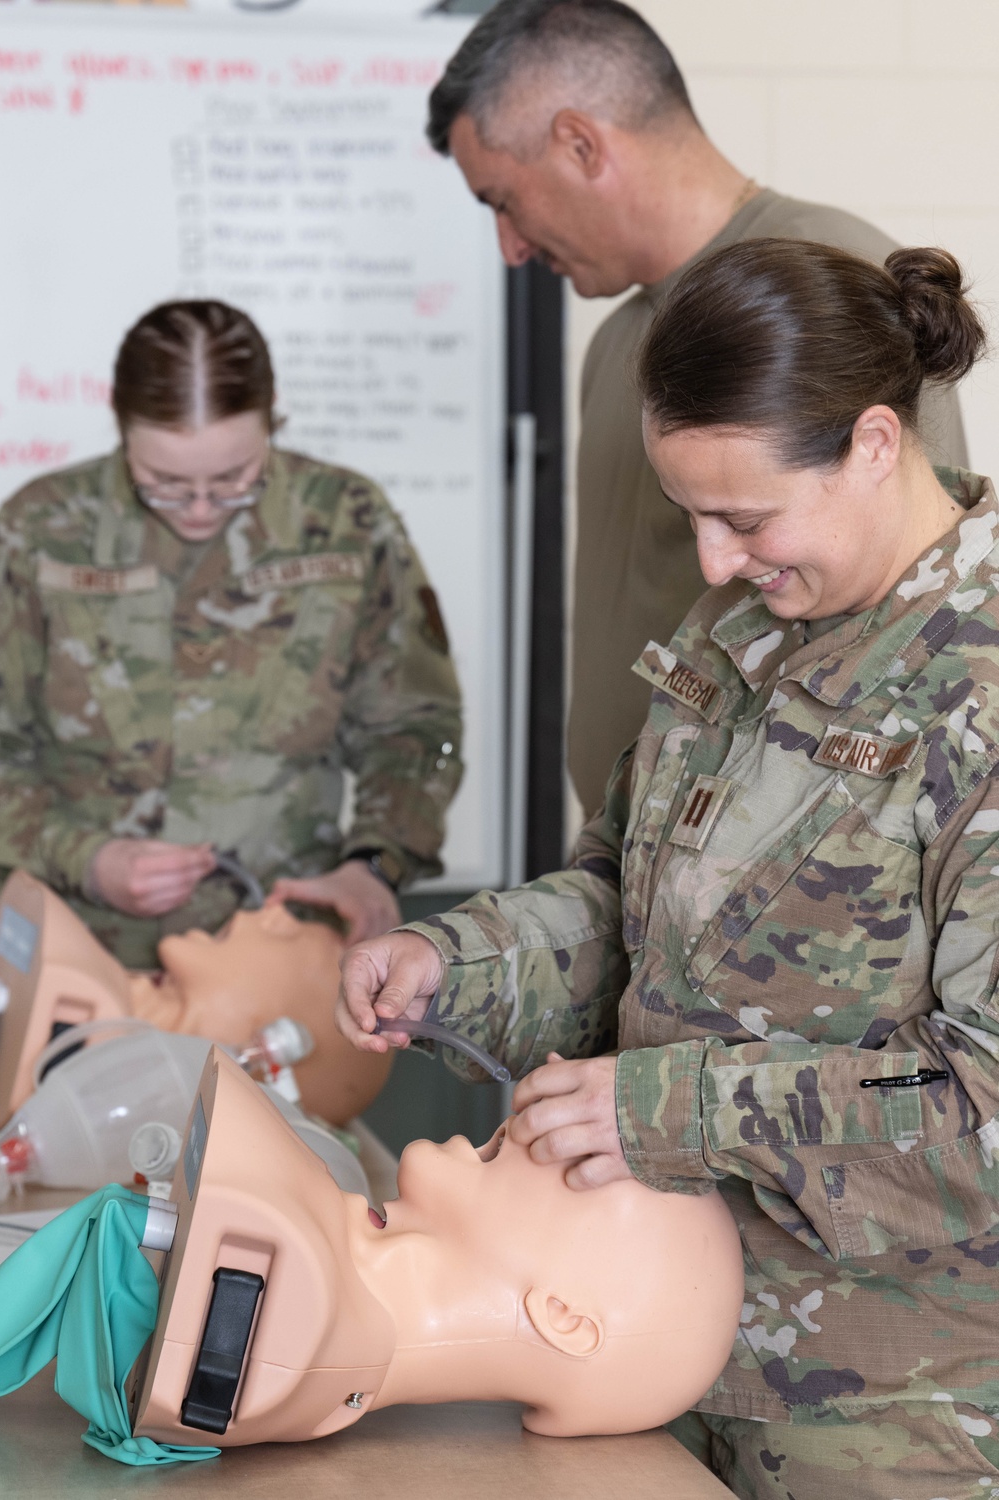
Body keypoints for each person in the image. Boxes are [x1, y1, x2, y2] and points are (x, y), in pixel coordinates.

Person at [338, 241, 999, 1499]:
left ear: (870, 443)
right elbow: (624, 905)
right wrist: (453, 963)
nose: (709, 564)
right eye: (687, 515)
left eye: (742, 518)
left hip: (889, 1420)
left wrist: (669, 1114)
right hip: (648, 1372)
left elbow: (987, 1107)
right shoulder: (751, 619)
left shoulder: (978, 685)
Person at [427, 0, 969, 816]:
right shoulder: (619, 341)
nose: (510, 245)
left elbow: (914, 621)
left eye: (502, 199)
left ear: (580, 143)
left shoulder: (826, 283)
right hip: (639, 870)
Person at [0, 300, 463, 968]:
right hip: (77, 958)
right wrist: (86, 859)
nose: (197, 508)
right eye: (162, 482)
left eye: (231, 480)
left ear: (271, 416)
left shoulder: (347, 524)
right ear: (122, 427)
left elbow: (415, 727)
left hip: (279, 956)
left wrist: (374, 864)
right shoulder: (40, 530)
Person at [129, 1048, 745, 1452]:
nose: (545, 1124)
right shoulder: (285, 1259)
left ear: (563, 1318)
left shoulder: (282, 1319)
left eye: (499, 1146)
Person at [0, 869, 390, 1125]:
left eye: (299, 933)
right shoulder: (73, 984)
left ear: (277, 1046)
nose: (274, 910)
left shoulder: (72, 993)